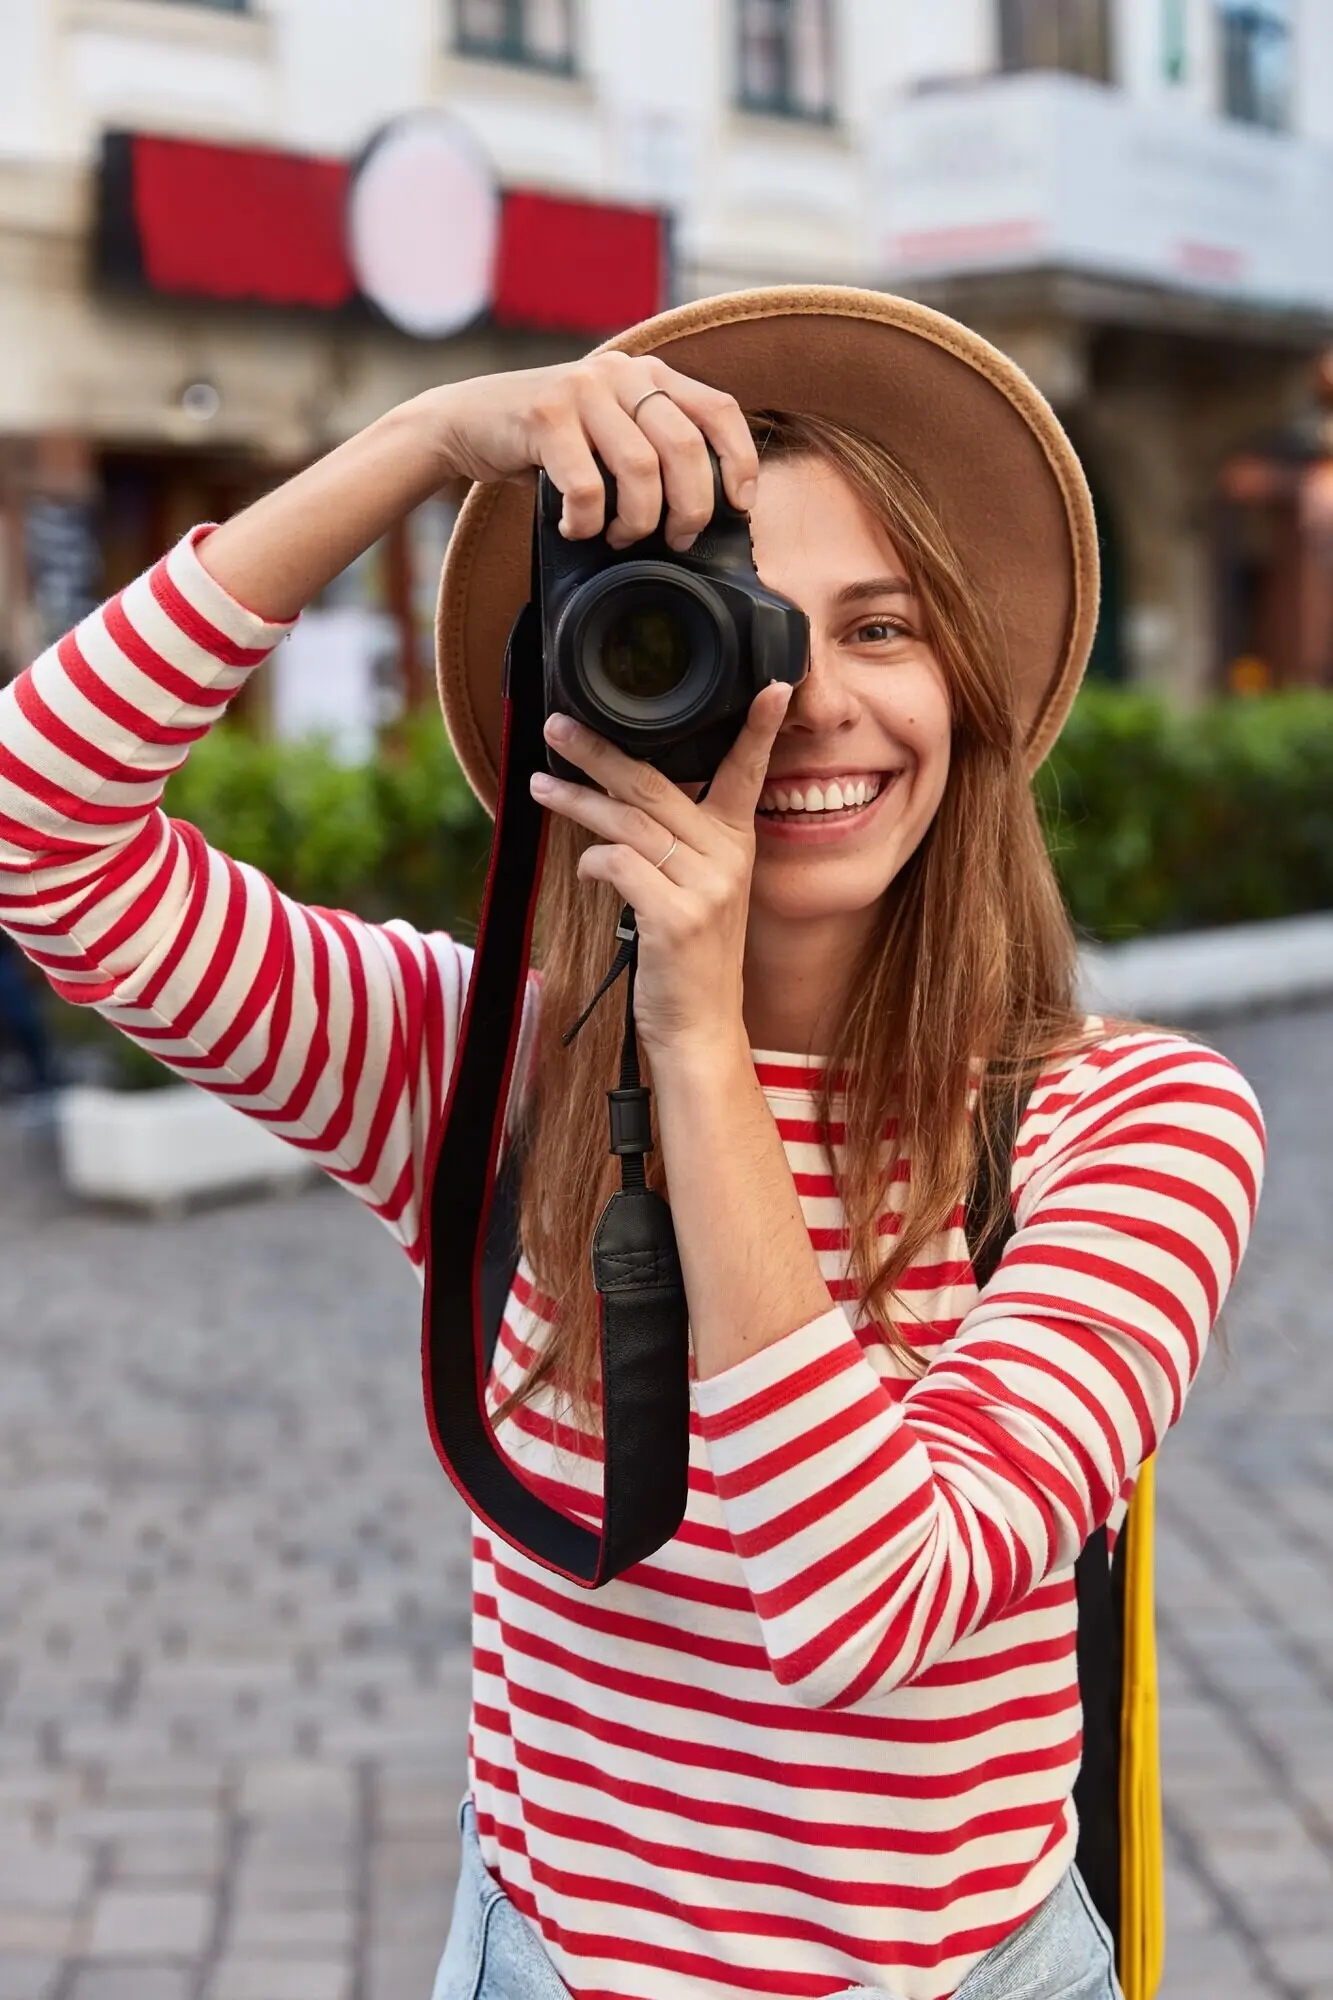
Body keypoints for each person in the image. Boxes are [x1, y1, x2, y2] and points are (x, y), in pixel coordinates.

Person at [0, 289, 1264, 2000]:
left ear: (965, 689)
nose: (804, 703)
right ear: (597, 701)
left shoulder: (1127, 1122)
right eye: (734, 630)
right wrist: (421, 446)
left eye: (880, 628)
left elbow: (864, 1603)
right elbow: (42, 842)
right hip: (555, 1960)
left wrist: (690, 1037)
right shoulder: (479, 1076)